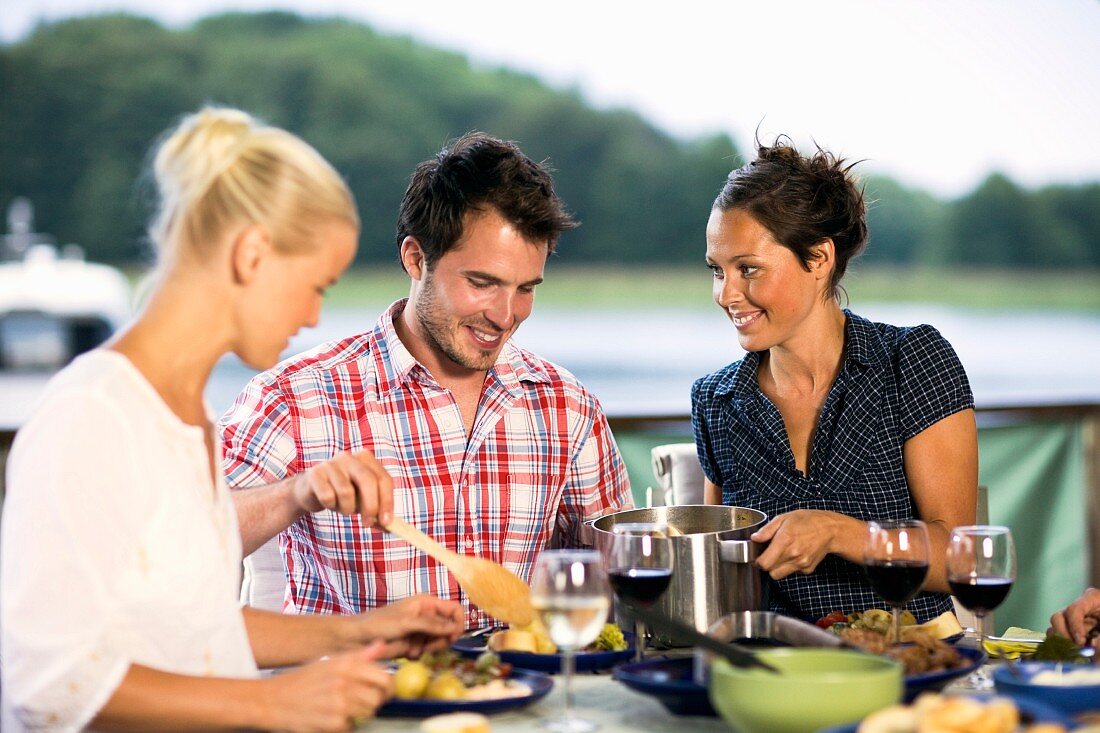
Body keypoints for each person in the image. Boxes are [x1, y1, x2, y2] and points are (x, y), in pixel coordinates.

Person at [0, 107, 463, 732]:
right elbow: (44, 680)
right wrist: (271, 704)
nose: (312, 317)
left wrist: (361, 631)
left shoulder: (190, 420)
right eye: (316, 285)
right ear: (251, 254)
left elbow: (191, 628)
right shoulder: (92, 415)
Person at [220, 131, 632, 630]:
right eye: (482, 283)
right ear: (416, 259)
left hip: (517, 697)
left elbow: (615, 571)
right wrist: (295, 494)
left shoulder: (565, 406)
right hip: (354, 698)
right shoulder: (296, 397)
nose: (505, 316)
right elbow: (186, 546)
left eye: (525, 288)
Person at [691, 137, 978, 623]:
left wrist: (840, 533)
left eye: (748, 269)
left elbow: (962, 560)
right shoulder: (715, 400)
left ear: (819, 259)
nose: (726, 294)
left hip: (913, 660)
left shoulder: (912, 361)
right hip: (779, 667)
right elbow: (721, 574)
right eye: (717, 271)